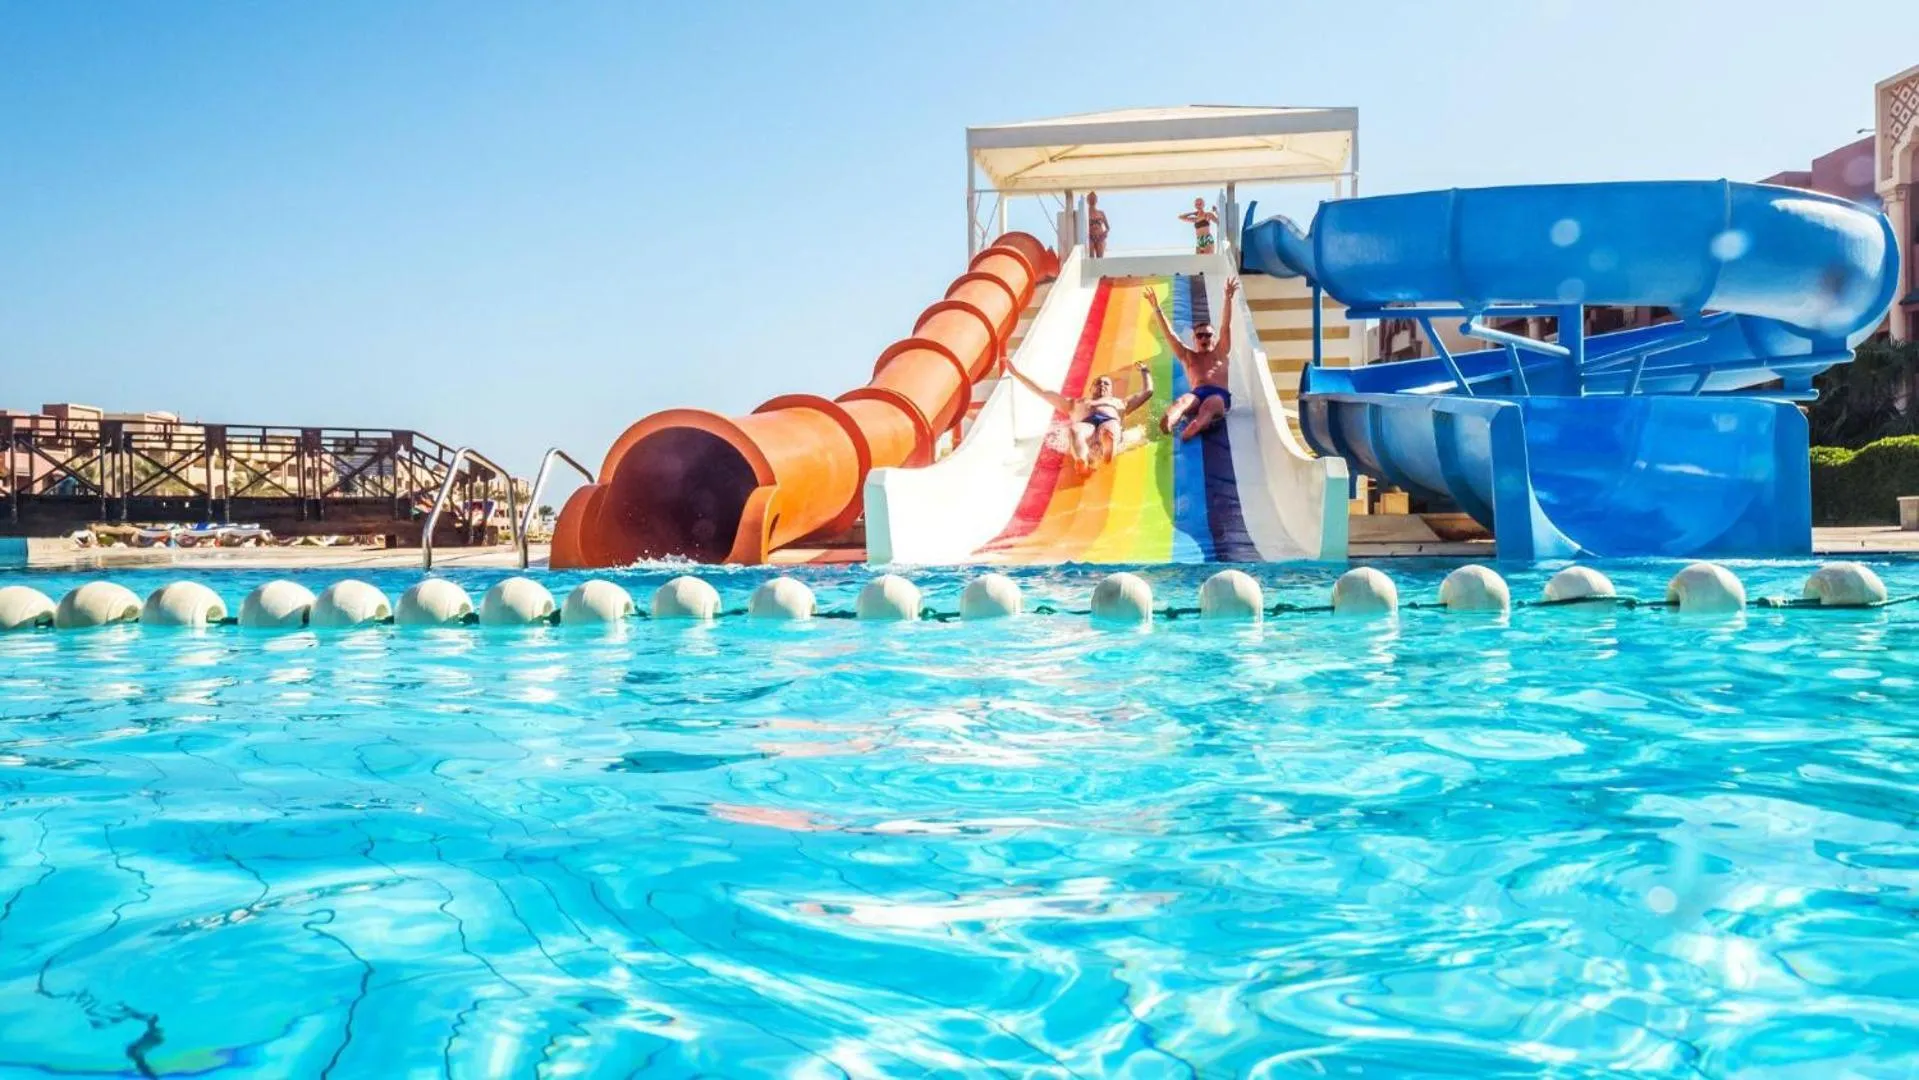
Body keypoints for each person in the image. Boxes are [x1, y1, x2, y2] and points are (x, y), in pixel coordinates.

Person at [1005, 357, 1155, 474]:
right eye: (1098, 383)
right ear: (1091, 389)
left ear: (1111, 390)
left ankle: (1108, 448)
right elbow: (1043, 392)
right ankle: (1081, 461)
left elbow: (1147, 391)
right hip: (1087, 423)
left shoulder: (1120, 403)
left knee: (1110, 429)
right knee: (1075, 430)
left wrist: (1145, 371)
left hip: (1110, 421)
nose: (1102, 385)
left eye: (1106, 384)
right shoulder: (1075, 403)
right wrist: (1017, 374)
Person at [1145, 276, 1238, 440]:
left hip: (1219, 395)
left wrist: (1228, 298)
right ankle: (1168, 423)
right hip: (1197, 394)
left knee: (1211, 405)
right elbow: (1170, 336)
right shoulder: (1188, 356)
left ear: (1214, 338)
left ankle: (1196, 425)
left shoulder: (1221, 352)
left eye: (1208, 335)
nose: (1204, 338)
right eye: (1200, 336)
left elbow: (1225, 326)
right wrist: (1157, 308)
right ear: (1194, 340)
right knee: (1182, 402)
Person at [1086, 191, 1110, 258]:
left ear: (1096, 200)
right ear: (1087, 200)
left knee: (1100, 258)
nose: (1092, 200)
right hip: (1090, 237)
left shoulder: (1101, 213)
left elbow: (1107, 227)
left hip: (1100, 237)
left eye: (1094, 198)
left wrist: (1104, 234)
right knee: (1091, 258)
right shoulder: (1085, 213)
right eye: (1090, 198)